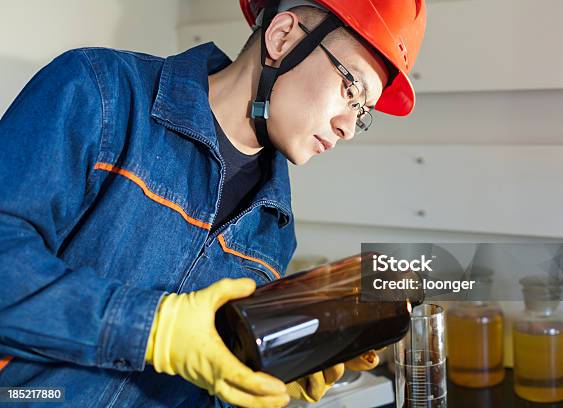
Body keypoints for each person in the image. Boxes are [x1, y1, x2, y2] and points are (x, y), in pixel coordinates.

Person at [0, 0, 426, 406]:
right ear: (282, 39)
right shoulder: (101, 94)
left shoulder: (272, 231)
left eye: (362, 110)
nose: (349, 126)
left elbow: (203, 381)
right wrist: (156, 331)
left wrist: (266, 371)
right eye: (349, 88)